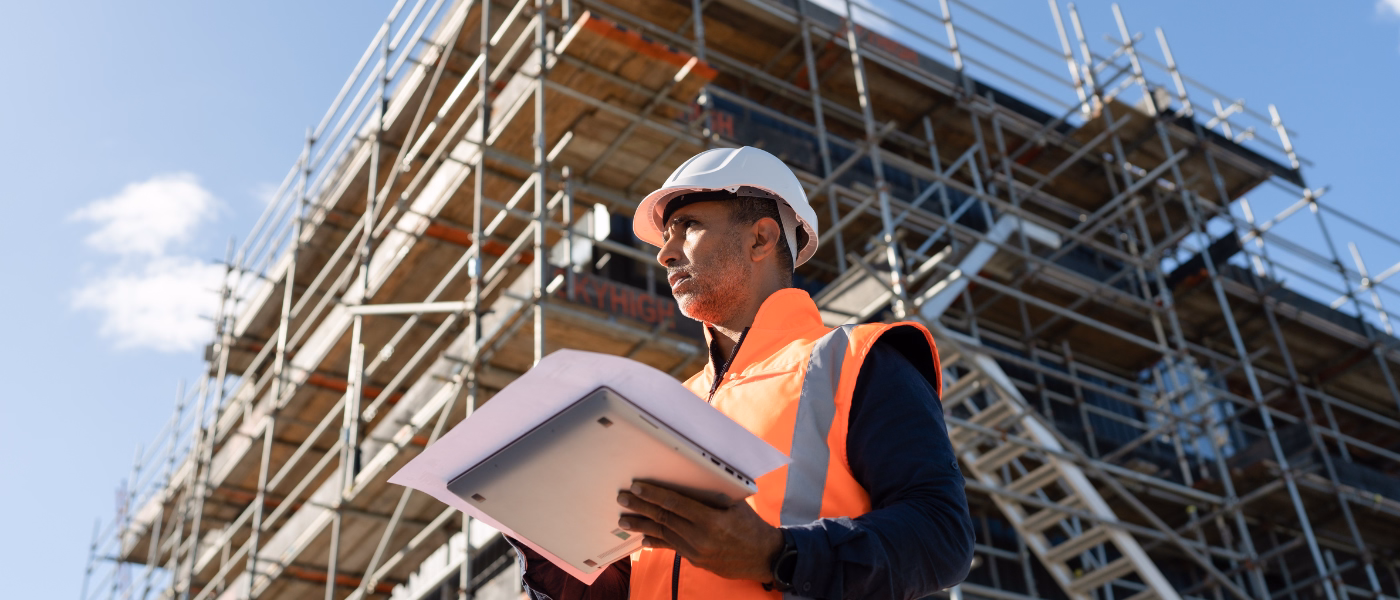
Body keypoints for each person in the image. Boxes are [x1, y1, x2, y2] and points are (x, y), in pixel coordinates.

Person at [511, 146, 974, 599]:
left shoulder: (855, 359)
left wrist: (780, 554)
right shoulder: (668, 406)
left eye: (686, 226)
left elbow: (942, 536)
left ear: (761, 238)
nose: (664, 254)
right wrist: (551, 552)